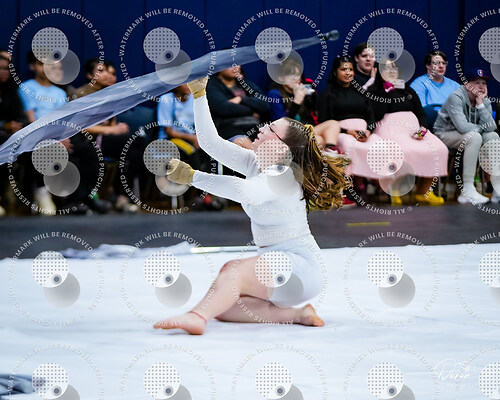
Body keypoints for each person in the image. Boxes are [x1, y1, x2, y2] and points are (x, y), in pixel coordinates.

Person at [154, 77, 349, 335]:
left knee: (231, 272)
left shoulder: (284, 176)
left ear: (281, 147)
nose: (263, 128)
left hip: (301, 270)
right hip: (279, 267)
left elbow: (245, 191)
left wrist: (193, 177)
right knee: (224, 305)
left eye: (271, 129)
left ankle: (196, 317)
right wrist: (200, 95)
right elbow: (211, 144)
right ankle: (298, 314)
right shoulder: (255, 161)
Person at [368, 58, 449, 206]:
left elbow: (421, 112)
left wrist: (423, 128)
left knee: (439, 149)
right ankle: (395, 189)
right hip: (389, 128)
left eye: (394, 68)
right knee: (403, 150)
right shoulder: (375, 90)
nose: (391, 71)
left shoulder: (406, 89)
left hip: (413, 130)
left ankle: (423, 192)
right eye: (387, 68)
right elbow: (377, 114)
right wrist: (386, 91)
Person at [434, 68, 500, 204]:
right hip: (445, 134)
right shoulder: (456, 97)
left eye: (484, 83)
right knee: (474, 137)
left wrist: (481, 105)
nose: (481, 87)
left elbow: (491, 128)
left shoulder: (484, 101)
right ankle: (467, 190)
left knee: (492, 136)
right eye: (477, 83)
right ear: (467, 85)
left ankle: (496, 187)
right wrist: (482, 128)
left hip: (469, 134)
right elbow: (462, 127)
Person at [17, 50, 70, 215]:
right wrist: (51, 138)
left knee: (83, 149)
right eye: (41, 64)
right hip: (35, 134)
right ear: (33, 66)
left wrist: (62, 137)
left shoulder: (60, 93)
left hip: (57, 135)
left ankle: (76, 199)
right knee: (42, 147)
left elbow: (63, 121)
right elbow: (31, 119)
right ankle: (41, 191)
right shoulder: (26, 88)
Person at [318, 55, 376, 201]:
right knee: (350, 145)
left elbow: (371, 117)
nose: (348, 72)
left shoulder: (361, 92)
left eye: (350, 69)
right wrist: (347, 131)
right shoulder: (327, 93)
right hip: (340, 132)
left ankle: (375, 185)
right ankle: (353, 186)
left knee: (380, 145)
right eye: (343, 69)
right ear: (335, 72)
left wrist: (369, 131)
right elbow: (325, 121)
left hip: (364, 133)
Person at [266, 57, 341, 152]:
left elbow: (314, 118)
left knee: (333, 123)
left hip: (305, 131)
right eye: (290, 74)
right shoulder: (274, 94)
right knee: (318, 140)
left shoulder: (303, 90)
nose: (295, 78)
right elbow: (281, 127)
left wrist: (312, 99)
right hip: (287, 136)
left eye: (298, 74)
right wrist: (296, 103)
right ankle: (330, 155)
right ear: (280, 78)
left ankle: (332, 153)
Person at [206, 65, 269, 148]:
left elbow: (265, 104)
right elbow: (224, 109)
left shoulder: (245, 83)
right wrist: (252, 111)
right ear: (219, 67)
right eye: (229, 65)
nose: (235, 67)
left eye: (237, 63)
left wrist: (241, 99)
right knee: (249, 149)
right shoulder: (211, 86)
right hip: (229, 127)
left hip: (255, 126)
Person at [0, 55, 28, 215]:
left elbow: (22, 117)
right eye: (1, 68)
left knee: (28, 143)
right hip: (3, 135)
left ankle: (32, 196)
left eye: (7, 69)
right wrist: (4, 125)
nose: (5, 72)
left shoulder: (11, 91)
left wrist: (18, 126)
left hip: (9, 135)